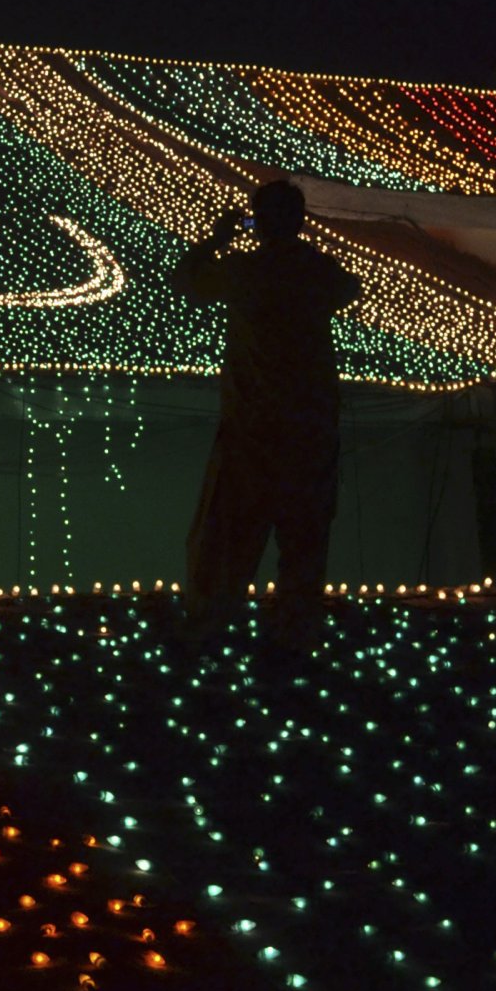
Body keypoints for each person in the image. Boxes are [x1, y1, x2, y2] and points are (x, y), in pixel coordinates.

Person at [170, 178, 360, 650]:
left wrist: (217, 239)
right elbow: (347, 289)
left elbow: (189, 282)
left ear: (259, 220)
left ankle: (215, 635)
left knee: (231, 539)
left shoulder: (243, 270)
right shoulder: (317, 271)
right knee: (304, 544)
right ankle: (295, 638)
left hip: (252, 431)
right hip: (310, 431)